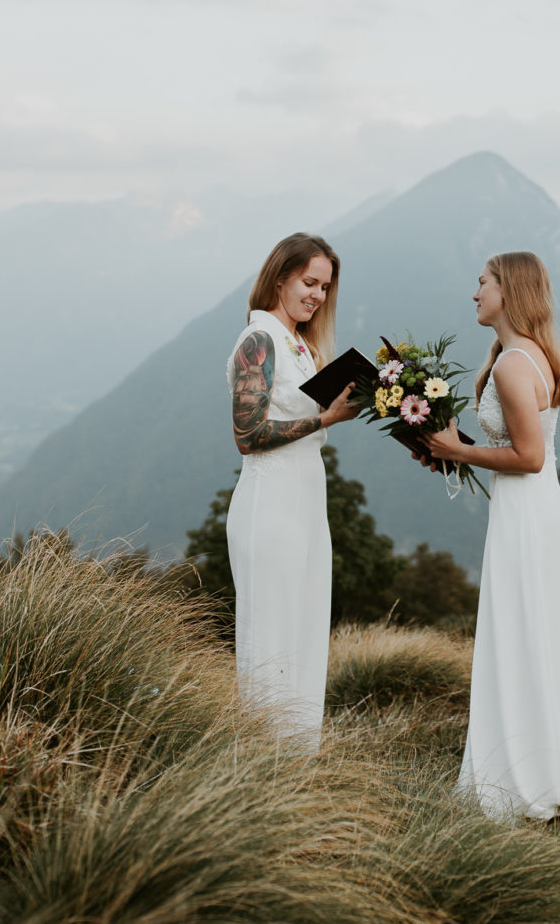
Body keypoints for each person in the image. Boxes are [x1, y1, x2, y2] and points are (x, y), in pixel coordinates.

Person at [423, 251, 560, 822]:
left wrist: (459, 450)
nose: (475, 293)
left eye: (483, 283)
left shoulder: (512, 365)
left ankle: (515, 780)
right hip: (534, 510)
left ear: (508, 291)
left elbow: (528, 455)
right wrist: (453, 449)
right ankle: (539, 768)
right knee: (529, 635)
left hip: (526, 513)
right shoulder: (525, 356)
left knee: (518, 634)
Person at [226, 233, 357, 749]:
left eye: (324, 287)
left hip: (307, 502)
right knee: (270, 637)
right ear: (279, 277)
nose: (317, 295)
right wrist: (326, 418)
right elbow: (248, 435)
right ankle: (262, 765)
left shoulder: (300, 344)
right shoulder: (257, 341)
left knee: (303, 632)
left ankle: (298, 763)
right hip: (270, 503)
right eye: (309, 282)